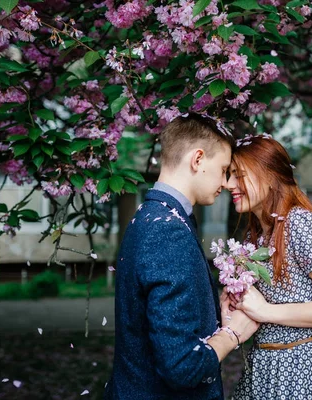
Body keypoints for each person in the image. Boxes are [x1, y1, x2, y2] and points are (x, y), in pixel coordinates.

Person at [104, 113, 259, 400]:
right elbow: (181, 367)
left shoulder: (150, 216)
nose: (226, 182)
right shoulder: (168, 231)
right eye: (224, 169)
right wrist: (233, 334)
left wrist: (216, 322)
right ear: (197, 159)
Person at [225, 135, 312, 399]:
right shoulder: (255, 237)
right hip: (261, 369)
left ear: (270, 175)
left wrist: (265, 311)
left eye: (238, 175)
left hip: (299, 371)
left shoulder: (301, 224)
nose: (228, 184)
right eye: (229, 175)